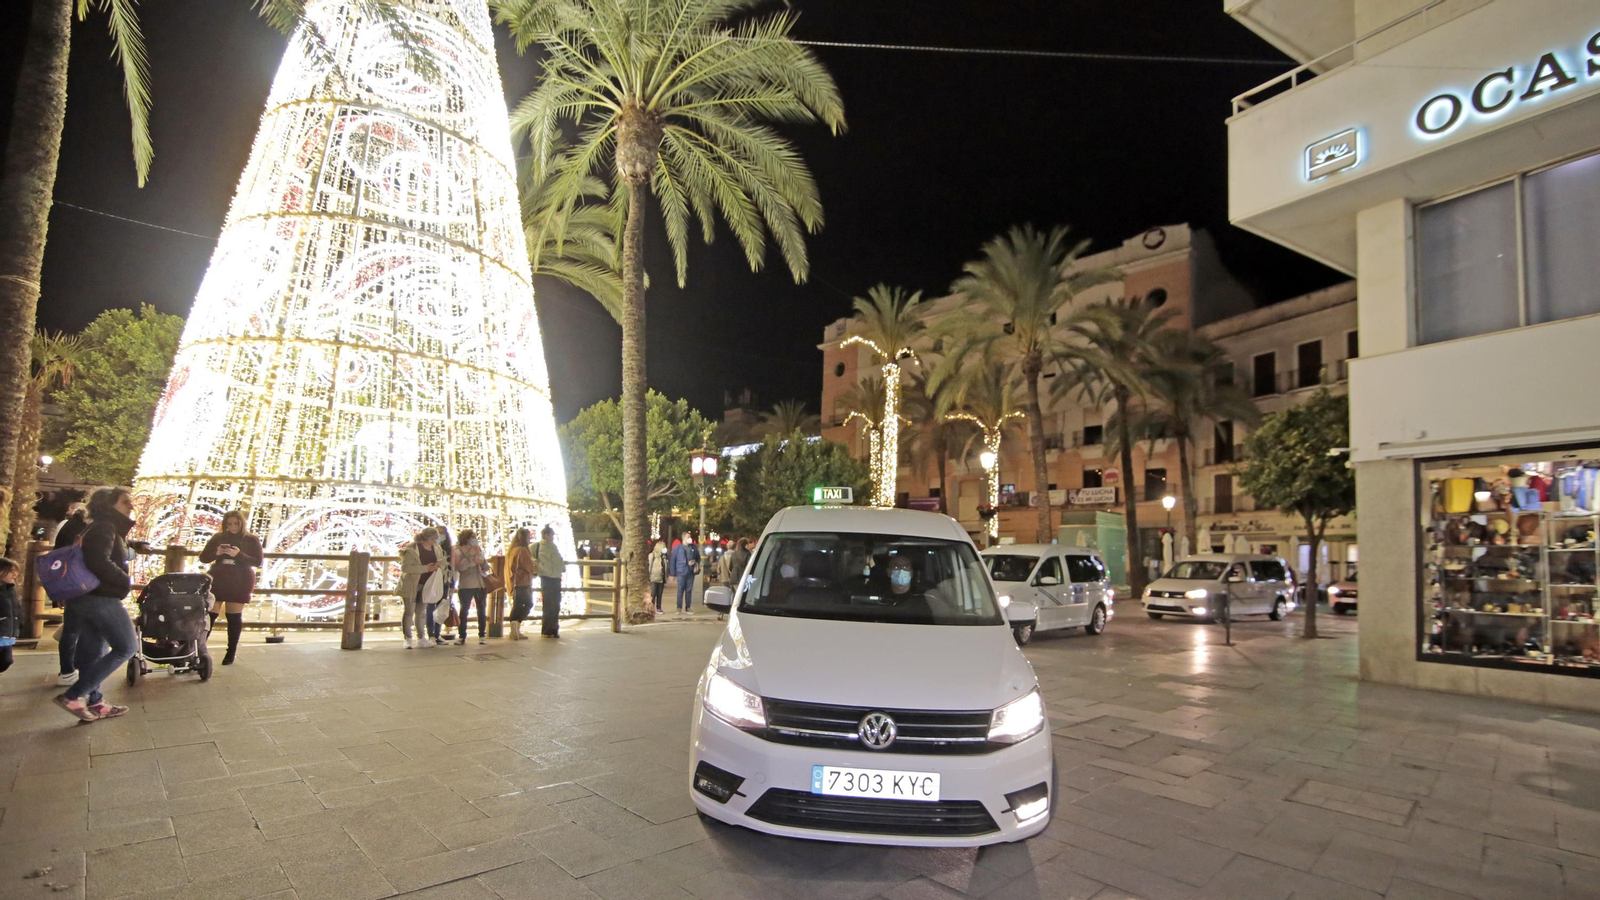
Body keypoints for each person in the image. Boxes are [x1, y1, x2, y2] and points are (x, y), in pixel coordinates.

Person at [55, 487, 140, 722]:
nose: (130, 506)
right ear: (110, 504)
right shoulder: (105, 527)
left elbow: (100, 553)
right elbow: (97, 560)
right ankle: (74, 695)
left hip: (84, 598)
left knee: (92, 654)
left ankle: (96, 703)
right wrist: (124, 580)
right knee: (126, 647)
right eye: (125, 502)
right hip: (100, 597)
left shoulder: (97, 526)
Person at [198, 511, 263, 665]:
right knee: (209, 615)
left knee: (233, 617)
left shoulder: (251, 539)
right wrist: (217, 553)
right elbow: (203, 557)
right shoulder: (218, 537)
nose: (233, 527)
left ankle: (231, 652)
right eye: (229, 524)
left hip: (240, 579)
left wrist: (239, 554)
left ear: (242, 523)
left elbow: (258, 561)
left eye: (236, 523)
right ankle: (199, 650)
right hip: (219, 577)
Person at [52, 504, 90, 687]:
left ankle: (67, 670)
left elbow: (57, 557)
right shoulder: (87, 529)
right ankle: (74, 670)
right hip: (84, 584)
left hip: (70, 583)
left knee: (72, 628)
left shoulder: (70, 526)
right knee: (77, 629)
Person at [398, 527, 449, 649]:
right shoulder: (412, 549)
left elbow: (442, 563)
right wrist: (425, 568)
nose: (437, 540)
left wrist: (439, 566)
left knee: (421, 612)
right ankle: (408, 638)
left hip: (428, 584)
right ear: (428, 538)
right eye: (435, 538)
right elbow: (406, 568)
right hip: (412, 584)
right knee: (409, 611)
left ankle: (421, 637)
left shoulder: (437, 549)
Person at [453, 529, 490, 645]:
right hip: (465, 585)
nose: (474, 539)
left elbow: (486, 566)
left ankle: (482, 635)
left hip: (480, 583)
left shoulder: (479, 549)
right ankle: (462, 635)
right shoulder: (458, 550)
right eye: (472, 537)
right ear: (467, 538)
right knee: (464, 610)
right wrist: (470, 557)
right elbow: (460, 567)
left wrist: (482, 561)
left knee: (481, 610)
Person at [506, 527, 536, 641]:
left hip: (514, 581)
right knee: (527, 604)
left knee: (518, 604)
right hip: (522, 581)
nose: (530, 539)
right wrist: (535, 566)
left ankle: (515, 628)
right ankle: (515, 625)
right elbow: (529, 566)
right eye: (529, 537)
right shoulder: (522, 550)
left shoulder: (512, 550)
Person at [536, 524, 566, 638]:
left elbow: (558, 559)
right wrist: (541, 567)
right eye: (551, 534)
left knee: (556, 604)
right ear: (546, 535)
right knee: (548, 604)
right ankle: (547, 630)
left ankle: (554, 629)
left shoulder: (554, 546)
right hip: (547, 577)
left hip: (556, 577)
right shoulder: (538, 546)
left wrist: (560, 569)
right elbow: (531, 557)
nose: (553, 536)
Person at [429, 527, 455, 643]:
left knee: (441, 607)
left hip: (445, 581)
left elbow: (453, 568)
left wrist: (452, 584)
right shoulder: (430, 548)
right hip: (432, 581)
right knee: (430, 607)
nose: (440, 536)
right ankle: (430, 634)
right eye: (438, 534)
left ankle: (437, 633)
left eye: (443, 534)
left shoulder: (450, 550)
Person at [0, 558, 21, 674]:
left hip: (8, 635)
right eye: (11, 571)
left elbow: (16, 608)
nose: (14, 574)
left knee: (7, 661)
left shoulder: (11, 590)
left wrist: (19, 622)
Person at [669, 536, 699, 617]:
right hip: (681, 572)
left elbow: (698, 558)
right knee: (680, 589)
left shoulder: (694, 548)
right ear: (683, 538)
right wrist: (672, 574)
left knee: (689, 590)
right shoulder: (677, 548)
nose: (690, 538)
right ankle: (679, 607)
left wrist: (695, 562)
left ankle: (688, 607)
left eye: (690, 537)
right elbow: (673, 561)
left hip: (690, 572)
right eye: (688, 537)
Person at [648, 540, 667, 612]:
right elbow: (649, 566)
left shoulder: (664, 557)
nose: (664, 549)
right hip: (654, 577)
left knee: (660, 593)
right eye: (663, 547)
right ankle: (651, 608)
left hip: (661, 578)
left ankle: (659, 607)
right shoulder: (652, 555)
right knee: (653, 593)